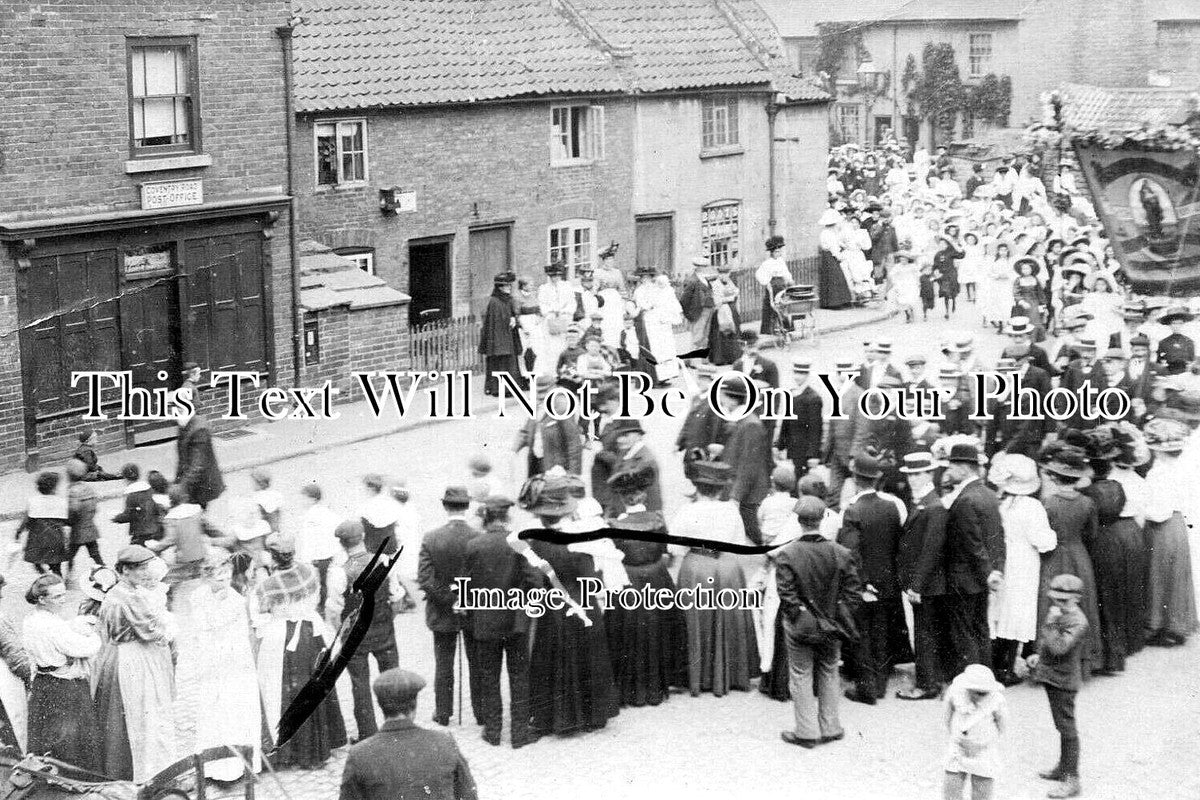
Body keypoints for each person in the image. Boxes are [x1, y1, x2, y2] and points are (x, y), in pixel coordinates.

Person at [520, 473, 619, 735]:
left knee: (551, 660)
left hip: (552, 608)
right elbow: (591, 578)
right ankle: (590, 714)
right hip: (581, 604)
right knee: (587, 658)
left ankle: (553, 716)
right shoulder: (578, 541)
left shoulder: (534, 542)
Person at [774, 496, 860, 748]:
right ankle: (831, 726)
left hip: (801, 624)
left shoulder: (787, 554)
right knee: (829, 670)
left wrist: (800, 616)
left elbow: (787, 595)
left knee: (800, 674)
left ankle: (806, 731)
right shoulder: (840, 552)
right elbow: (853, 593)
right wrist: (837, 614)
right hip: (832, 624)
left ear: (798, 521)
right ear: (823, 520)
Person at [253, 535, 347, 768]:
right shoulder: (309, 573)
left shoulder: (267, 584)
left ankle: (294, 752)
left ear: (273, 557)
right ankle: (320, 746)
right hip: (310, 634)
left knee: (286, 692)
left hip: (282, 638)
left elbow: (261, 612)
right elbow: (316, 600)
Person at [669, 459, 758, 696]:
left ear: (696, 486)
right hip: (727, 568)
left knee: (695, 618)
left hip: (697, 567)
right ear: (720, 489)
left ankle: (698, 677)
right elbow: (739, 544)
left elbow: (674, 549)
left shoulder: (687, 511)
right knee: (727, 618)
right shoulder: (730, 510)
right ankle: (729, 675)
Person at [170, 549, 262, 781]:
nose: (222, 581)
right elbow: (203, 626)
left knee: (235, 709)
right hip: (211, 659)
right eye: (216, 576)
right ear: (206, 576)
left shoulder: (238, 600)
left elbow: (238, 635)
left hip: (234, 660)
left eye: (226, 575)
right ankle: (216, 766)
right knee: (213, 709)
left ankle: (240, 764)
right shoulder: (198, 596)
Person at [93, 545, 177, 782]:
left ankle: (149, 767)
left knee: (144, 711)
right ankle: (151, 771)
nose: (143, 573)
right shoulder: (128, 597)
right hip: (136, 657)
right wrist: (169, 629)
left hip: (127, 654)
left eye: (144, 567)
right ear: (124, 571)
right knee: (145, 711)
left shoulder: (120, 593)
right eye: (137, 569)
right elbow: (151, 630)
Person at [605, 467, 686, 707]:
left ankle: (628, 688)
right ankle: (657, 685)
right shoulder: (658, 519)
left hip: (628, 581)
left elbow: (612, 557)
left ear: (622, 498)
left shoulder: (614, 525)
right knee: (657, 628)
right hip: (656, 578)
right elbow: (666, 552)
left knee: (626, 632)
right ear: (643, 495)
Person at [462, 495, 537, 748]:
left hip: (485, 622)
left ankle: (493, 732)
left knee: (489, 678)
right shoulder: (519, 543)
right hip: (516, 622)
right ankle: (519, 734)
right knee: (519, 676)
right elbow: (535, 580)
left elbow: (466, 585)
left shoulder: (474, 545)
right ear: (507, 517)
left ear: (486, 518)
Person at [338, 668, 478, 800]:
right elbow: (469, 795)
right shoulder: (445, 742)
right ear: (414, 705)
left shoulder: (359, 754)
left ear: (381, 706)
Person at [838, 453, 910, 704]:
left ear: (855, 479)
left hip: (864, 582)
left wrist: (862, 580)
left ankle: (867, 689)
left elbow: (850, 552)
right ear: (877, 478)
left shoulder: (852, 510)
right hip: (889, 579)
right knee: (882, 632)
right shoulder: (894, 505)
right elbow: (902, 542)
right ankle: (880, 682)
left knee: (862, 634)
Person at [328, 520, 401, 741]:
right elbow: (396, 598)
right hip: (384, 632)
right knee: (392, 681)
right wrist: (387, 620)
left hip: (354, 636)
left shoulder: (339, 573)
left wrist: (343, 632)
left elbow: (334, 610)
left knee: (359, 685)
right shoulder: (384, 561)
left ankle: (367, 733)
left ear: (342, 544)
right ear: (363, 538)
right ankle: (398, 727)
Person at [989, 455, 1057, 686]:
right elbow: (1044, 541)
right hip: (1024, 561)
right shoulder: (1032, 507)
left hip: (1005, 559)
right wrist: (1054, 536)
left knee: (1002, 610)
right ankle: (1006, 669)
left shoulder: (1002, 504)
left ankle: (997, 663)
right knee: (1018, 612)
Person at [22, 574, 101, 769]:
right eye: (57, 597)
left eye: (64, 594)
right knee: (70, 739)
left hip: (43, 682)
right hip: (65, 686)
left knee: (45, 734)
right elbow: (84, 648)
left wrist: (72, 626)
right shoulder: (53, 625)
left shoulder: (31, 619)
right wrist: (95, 636)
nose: (63, 599)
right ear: (42, 599)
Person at [419, 487, 480, 728]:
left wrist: (449, 600)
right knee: (476, 662)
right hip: (473, 610)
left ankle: (443, 712)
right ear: (467, 507)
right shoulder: (477, 537)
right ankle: (481, 712)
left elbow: (425, 579)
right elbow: (480, 577)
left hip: (441, 610)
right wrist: (463, 599)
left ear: (445, 506)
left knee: (443, 663)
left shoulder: (431, 537)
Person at [941, 443, 1005, 674]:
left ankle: (971, 680)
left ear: (964, 468)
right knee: (980, 628)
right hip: (981, 578)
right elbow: (996, 538)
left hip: (964, 578)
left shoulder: (966, 499)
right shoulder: (988, 494)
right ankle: (985, 677)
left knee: (964, 632)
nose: (949, 471)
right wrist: (994, 572)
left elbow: (973, 544)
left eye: (952, 466)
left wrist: (986, 572)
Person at [1027, 575, 1089, 799]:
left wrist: (1051, 623)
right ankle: (1063, 768)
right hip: (1053, 677)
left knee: (1067, 728)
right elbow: (1049, 644)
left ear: (1077, 599)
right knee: (1061, 726)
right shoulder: (1061, 614)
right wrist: (1038, 657)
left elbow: (1060, 647)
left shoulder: (1078, 621)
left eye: (1064, 601)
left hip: (1063, 682)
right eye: (1056, 600)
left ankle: (1072, 779)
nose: (1058, 605)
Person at [896, 453, 952, 700]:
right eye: (910, 475)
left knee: (925, 634)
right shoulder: (923, 502)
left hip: (926, 584)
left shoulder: (934, 506)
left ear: (930, 474)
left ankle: (927, 684)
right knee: (924, 632)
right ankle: (931, 680)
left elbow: (932, 549)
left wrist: (917, 584)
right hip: (921, 582)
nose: (913, 479)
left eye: (918, 474)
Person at [1141, 418, 1198, 646]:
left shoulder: (1158, 474)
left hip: (1162, 527)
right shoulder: (1184, 469)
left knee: (1159, 575)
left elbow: (1158, 512)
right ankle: (1177, 624)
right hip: (1178, 524)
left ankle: (1159, 625)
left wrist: (1142, 510)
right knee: (1177, 574)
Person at [718, 376, 772, 545]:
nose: (719, 399)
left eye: (722, 395)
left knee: (756, 534)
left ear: (732, 399)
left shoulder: (751, 424)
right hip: (744, 490)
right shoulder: (742, 419)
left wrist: (736, 496)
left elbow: (749, 465)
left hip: (749, 493)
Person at [942, 664, 1008, 800]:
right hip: (958, 747)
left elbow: (1002, 727)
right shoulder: (955, 693)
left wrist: (981, 744)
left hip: (983, 748)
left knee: (982, 788)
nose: (982, 696)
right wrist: (956, 738)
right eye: (978, 693)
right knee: (951, 789)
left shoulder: (996, 700)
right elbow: (947, 717)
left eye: (985, 693)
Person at [514, 374, 584, 477]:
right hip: (536, 463)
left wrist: (573, 474)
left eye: (544, 393)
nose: (540, 397)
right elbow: (526, 431)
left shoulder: (562, 407)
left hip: (557, 468)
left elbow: (573, 442)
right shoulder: (536, 406)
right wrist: (513, 449)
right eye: (538, 393)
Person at [297, 483, 341, 618]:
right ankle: (323, 607)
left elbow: (307, 540)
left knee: (318, 584)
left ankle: (320, 609)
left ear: (313, 499)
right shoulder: (327, 512)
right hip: (328, 554)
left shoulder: (308, 516)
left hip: (316, 556)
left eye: (304, 498)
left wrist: (304, 559)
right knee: (325, 583)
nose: (301, 501)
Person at [16, 471, 70, 577]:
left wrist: (18, 532)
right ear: (54, 488)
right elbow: (66, 521)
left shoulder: (33, 501)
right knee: (56, 565)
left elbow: (26, 520)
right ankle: (58, 582)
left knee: (36, 560)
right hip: (55, 537)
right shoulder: (60, 501)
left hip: (37, 538)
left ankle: (44, 575)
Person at [775, 360, 823, 479]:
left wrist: (813, 454)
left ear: (807, 375)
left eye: (801, 373)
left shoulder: (813, 398)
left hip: (804, 449)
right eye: (796, 373)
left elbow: (815, 428)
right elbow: (786, 422)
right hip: (792, 447)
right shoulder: (791, 393)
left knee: (801, 481)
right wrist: (779, 445)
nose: (797, 377)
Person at [478, 271, 522, 396]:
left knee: (510, 363)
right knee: (500, 364)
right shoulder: (495, 302)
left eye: (509, 286)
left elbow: (512, 313)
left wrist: (514, 319)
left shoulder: (508, 299)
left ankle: (510, 389)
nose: (508, 288)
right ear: (500, 288)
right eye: (506, 286)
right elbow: (495, 322)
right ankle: (498, 389)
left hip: (508, 337)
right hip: (499, 340)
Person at [174, 405, 225, 509]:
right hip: (192, 484)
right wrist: (177, 482)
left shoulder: (199, 430)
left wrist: (181, 488)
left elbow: (198, 465)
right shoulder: (185, 424)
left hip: (202, 484)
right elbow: (183, 458)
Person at [65, 458, 105, 580]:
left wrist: (67, 522)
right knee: (96, 555)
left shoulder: (72, 491)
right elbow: (95, 506)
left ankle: (69, 576)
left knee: (70, 555)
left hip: (78, 529)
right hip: (90, 526)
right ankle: (105, 574)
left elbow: (73, 510)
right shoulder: (88, 488)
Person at [112, 463, 161, 547]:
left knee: (135, 555)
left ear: (126, 478)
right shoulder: (149, 489)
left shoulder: (131, 495)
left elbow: (130, 515)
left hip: (141, 532)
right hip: (155, 528)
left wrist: (117, 518)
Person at [757, 235, 792, 334]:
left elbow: (786, 273)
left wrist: (789, 280)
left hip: (782, 285)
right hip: (773, 286)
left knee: (784, 305)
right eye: (776, 252)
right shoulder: (767, 263)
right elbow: (759, 274)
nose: (778, 254)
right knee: (771, 306)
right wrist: (766, 283)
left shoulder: (781, 261)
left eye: (779, 251)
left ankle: (785, 327)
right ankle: (768, 330)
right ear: (771, 253)